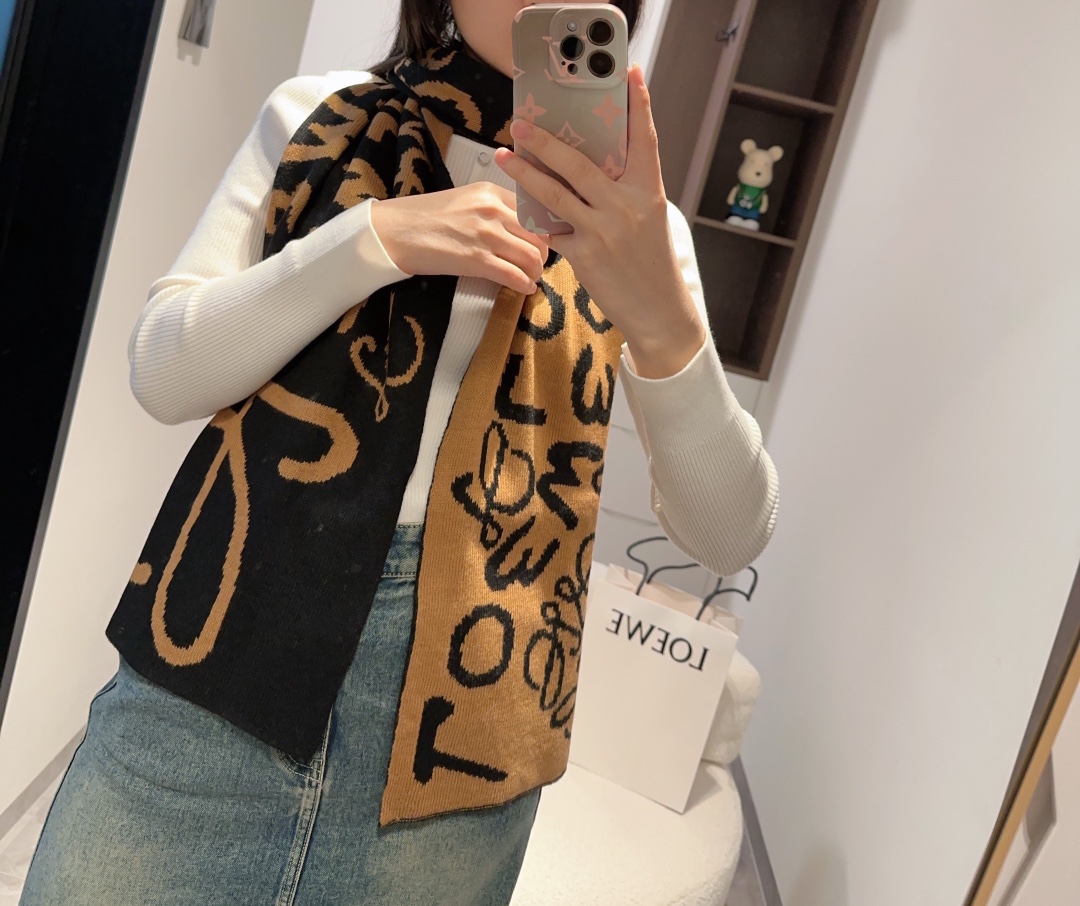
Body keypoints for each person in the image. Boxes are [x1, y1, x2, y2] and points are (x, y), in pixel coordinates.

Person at [21, 0, 779, 903]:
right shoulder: (319, 116)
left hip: (465, 742)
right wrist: (376, 240)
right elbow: (162, 370)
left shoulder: (639, 231)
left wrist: (660, 313)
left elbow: (728, 534)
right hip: (213, 670)